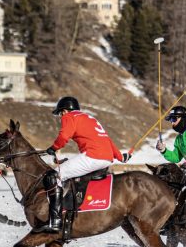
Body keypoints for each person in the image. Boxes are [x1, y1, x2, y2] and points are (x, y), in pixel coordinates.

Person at [37, 96, 128, 233]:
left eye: (61, 113)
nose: (61, 116)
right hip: (106, 158)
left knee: (55, 176)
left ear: (65, 111)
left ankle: (55, 221)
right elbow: (107, 140)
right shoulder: (89, 118)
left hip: (93, 156)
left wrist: (53, 148)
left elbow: (64, 136)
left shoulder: (69, 116)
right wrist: (121, 156)